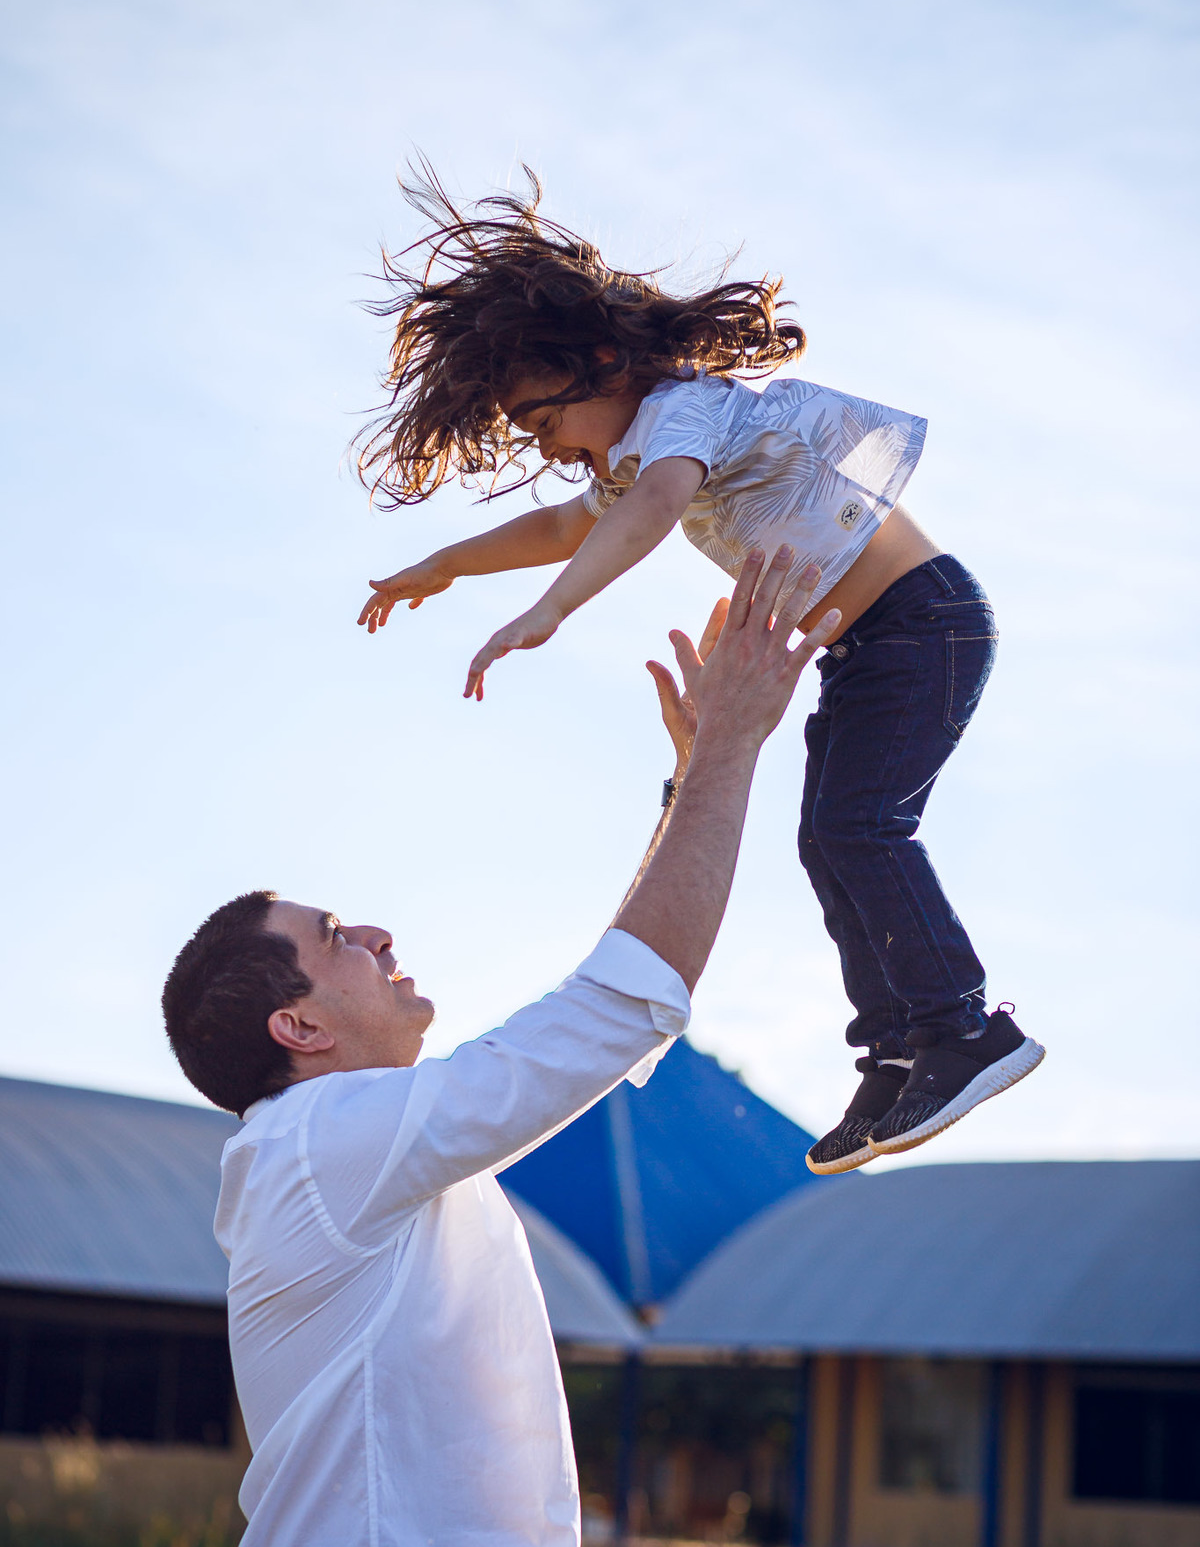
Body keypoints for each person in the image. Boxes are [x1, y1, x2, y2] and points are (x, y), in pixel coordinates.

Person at [162, 552, 836, 1547]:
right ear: (299, 1026)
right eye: (334, 936)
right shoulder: (319, 1142)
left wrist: (685, 792)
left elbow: (602, 1021)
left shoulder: (342, 1150)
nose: (375, 930)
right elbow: (603, 1017)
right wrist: (728, 754)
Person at [353, 168, 1043, 1172]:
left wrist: (550, 611)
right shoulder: (639, 444)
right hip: (867, 647)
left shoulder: (681, 413)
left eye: (547, 421)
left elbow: (648, 510)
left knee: (861, 827)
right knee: (829, 836)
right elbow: (564, 521)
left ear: (599, 362)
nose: (553, 449)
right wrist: (445, 565)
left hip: (922, 625)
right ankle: (899, 1052)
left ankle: (962, 1028)